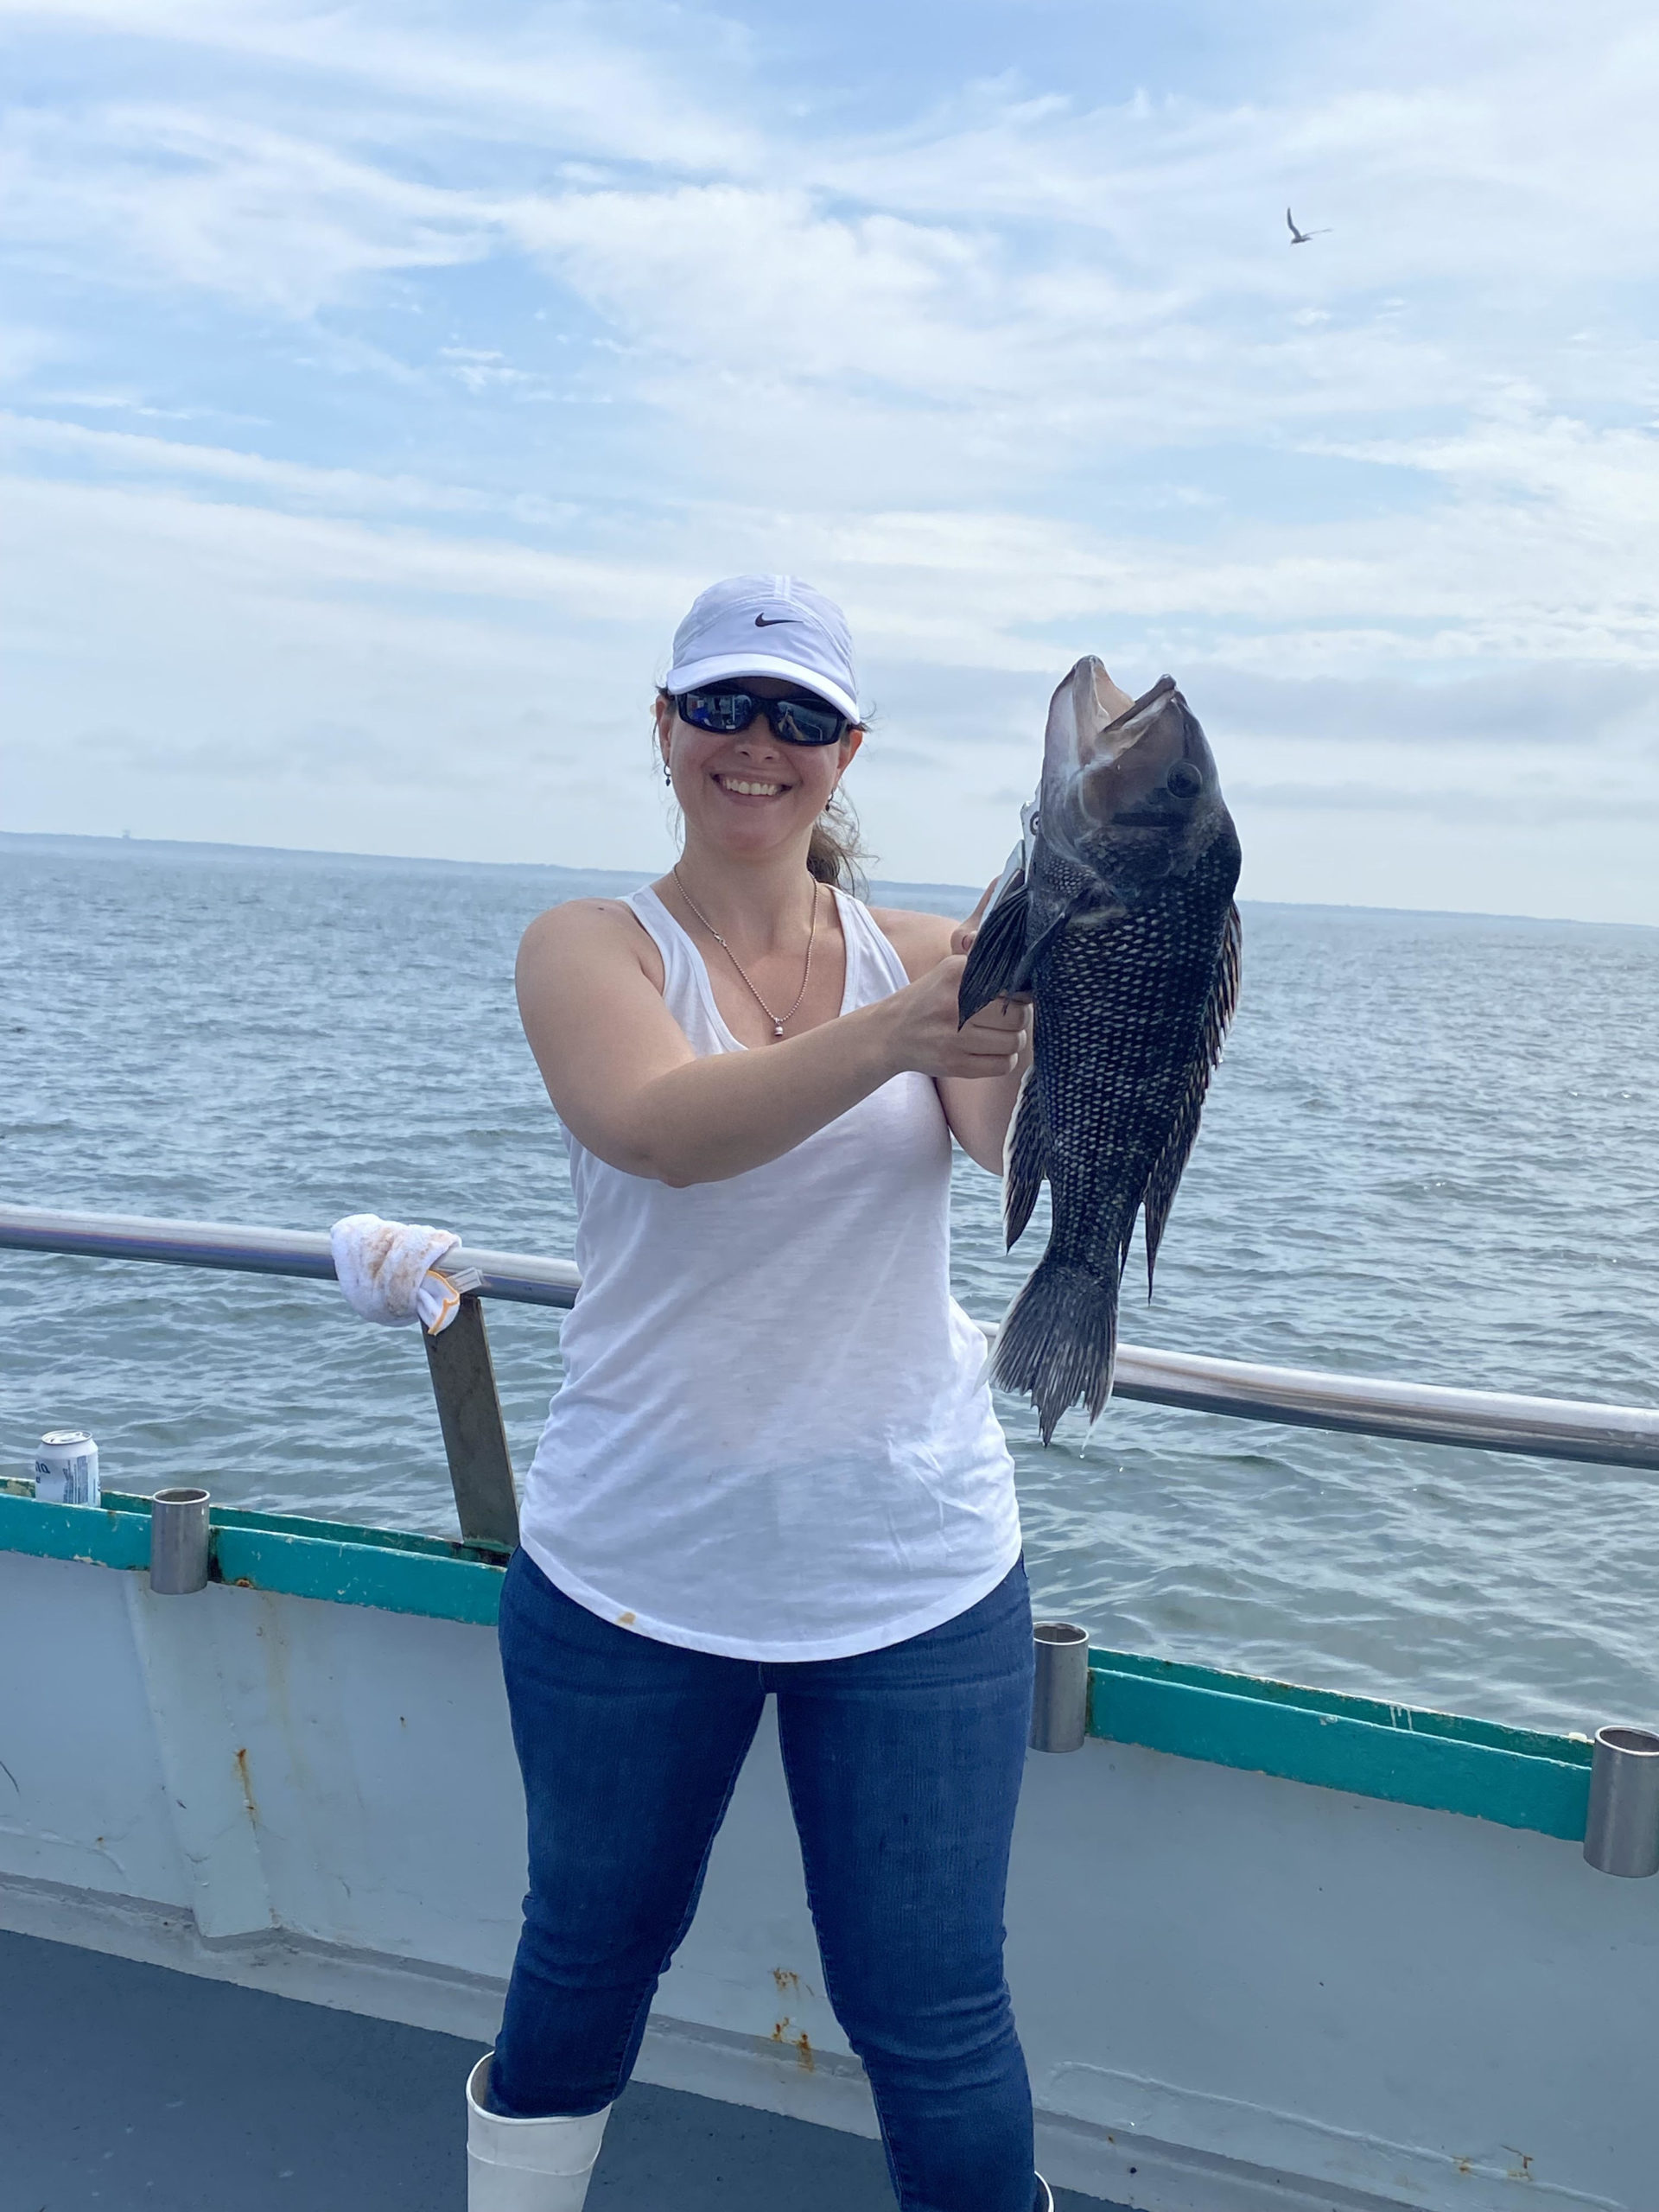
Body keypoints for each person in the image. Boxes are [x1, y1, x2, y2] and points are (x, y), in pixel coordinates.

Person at [467, 575, 1050, 2212]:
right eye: (722, 705)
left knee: (936, 2014)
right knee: (585, 1959)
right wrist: (901, 1035)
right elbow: (661, 1129)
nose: (757, 743)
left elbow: (1008, 1150)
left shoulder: (932, 957)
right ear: (664, 727)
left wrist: (1089, 988)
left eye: (801, 716)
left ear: (847, 750)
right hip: (633, 1572)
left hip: (915, 1572)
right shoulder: (590, 947)